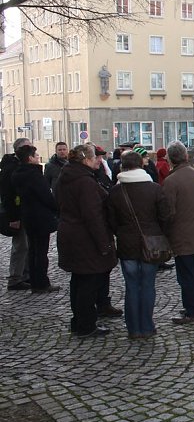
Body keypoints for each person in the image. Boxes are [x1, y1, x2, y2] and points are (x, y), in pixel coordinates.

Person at [107, 150, 172, 339]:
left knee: (132, 286)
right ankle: (147, 325)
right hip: (151, 243)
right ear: (142, 165)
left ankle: (134, 328)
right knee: (148, 285)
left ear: (122, 166)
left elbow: (111, 221)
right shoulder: (154, 189)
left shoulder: (115, 192)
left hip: (127, 245)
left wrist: (121, 232)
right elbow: (166, 217)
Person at [55, 144, 118, 338]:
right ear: (86, 160)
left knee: (79, 280)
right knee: (88, 283)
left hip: (71, 234)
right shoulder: (84, 182)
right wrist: (104, 244)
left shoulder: (67, 176)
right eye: (95, 158)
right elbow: (93, 216)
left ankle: (79, 322)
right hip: (84, 238)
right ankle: (86, 324)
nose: (99, 161)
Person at [162, 141, 194, 324]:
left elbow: (168, 212)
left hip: (181, 235)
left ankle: (193, 310)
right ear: (186, 156)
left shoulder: (171, 181)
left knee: (186, 275)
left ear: (169, 158)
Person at [11, 145, 60, 293]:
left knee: (33, 250)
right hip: (40, 217)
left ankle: (34, 281)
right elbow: (45, 196)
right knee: (40, 251)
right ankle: (41, 283)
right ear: (30, 158)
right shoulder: (33, 174)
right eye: (36, 155)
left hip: (28, 215)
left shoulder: (17, 173)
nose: (38, 156)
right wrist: (56, 208)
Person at [0, 137, 32, 290]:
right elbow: (7, 194)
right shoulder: (10, 168)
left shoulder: (21, 165)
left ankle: (25, 275)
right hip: (17, 213)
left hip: (26, 211)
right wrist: (13, 217)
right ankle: (15, 278)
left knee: (26, 245)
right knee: (20, 245)